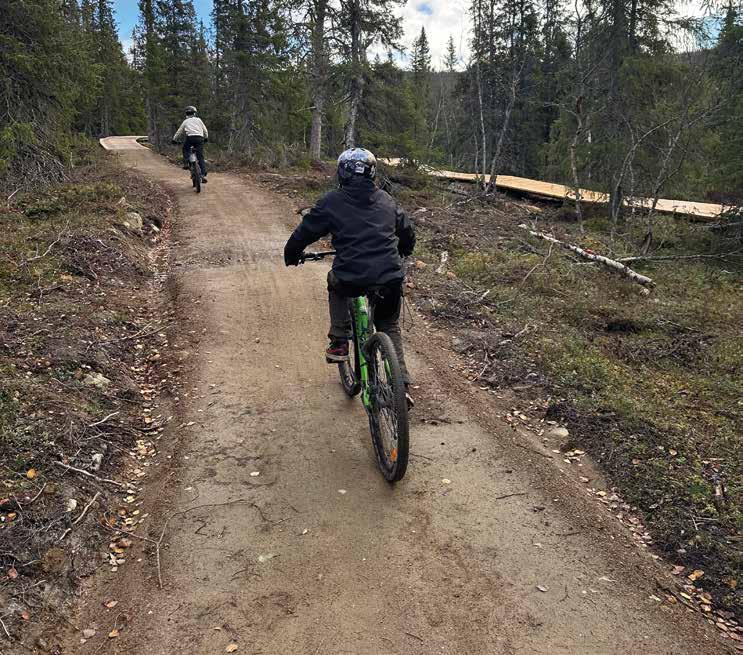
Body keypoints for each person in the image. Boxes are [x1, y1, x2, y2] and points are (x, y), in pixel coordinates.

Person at [284, 147, 416, 400]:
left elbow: (305, 232)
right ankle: (402, 389)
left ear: (342, 174)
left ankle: (340, 340)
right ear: (372, 173)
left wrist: (291, 254)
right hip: (389, 276)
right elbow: (407, 231)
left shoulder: (331, 201)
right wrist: (404, 250)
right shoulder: (387, 200)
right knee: (389, 325)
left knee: (335, 282)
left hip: (351, 276)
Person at [172, 106, 208, 183]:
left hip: (190, 138)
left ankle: (186, 163)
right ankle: (203, 173)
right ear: (194, 113)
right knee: (200, 156)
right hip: (199, 139)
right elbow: (205, 130)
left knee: (185, 149)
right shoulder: (199, 120)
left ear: (186, 114)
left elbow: (179, 131)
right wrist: (206, 138)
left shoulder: (185, 121)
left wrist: (174, 139)